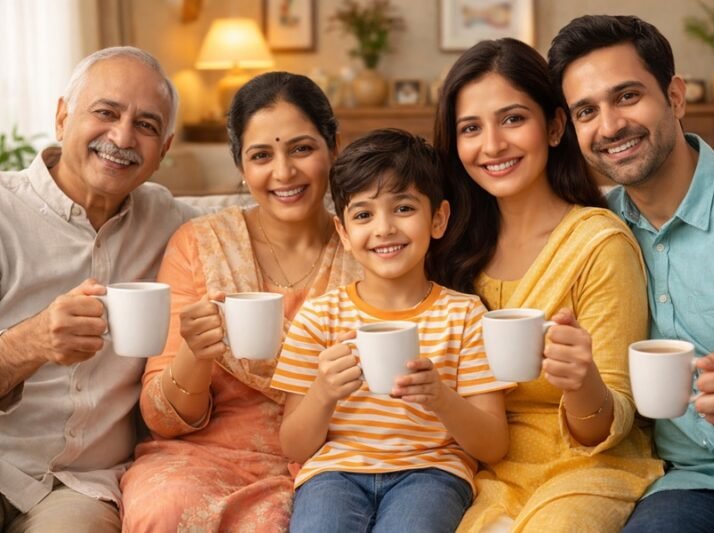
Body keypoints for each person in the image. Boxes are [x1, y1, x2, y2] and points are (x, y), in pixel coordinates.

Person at [549, 14, 714, 533]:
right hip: (692, 482)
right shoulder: (596, 232)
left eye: (627, 96)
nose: (611, 125)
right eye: (586, 111)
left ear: (676, 97)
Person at [429, 38, 664, 532]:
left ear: (554, 126)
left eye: (513, 119)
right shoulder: (449, 248)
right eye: (471, 128)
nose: (492, 145)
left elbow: (611, 426)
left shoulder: (598, 243)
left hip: (589, 471)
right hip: (484, 473)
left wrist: (581, 384)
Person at [119, 72, 361, 532]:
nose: (284, 172)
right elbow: (162, 419)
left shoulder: (367, 247)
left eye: (302, 148)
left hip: (333, 460)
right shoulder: (201, 245)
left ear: (333, 146)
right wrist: (196, 352)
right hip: (202, 457)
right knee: (165, 509)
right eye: (261, 155)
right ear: (241, 165)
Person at [271, 128, 514, 532]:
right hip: (334, 473)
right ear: (344, 233)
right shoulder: (318, 319)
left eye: (403, 208)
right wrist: (324, 392)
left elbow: (494, 445)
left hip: (432, 472)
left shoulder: (465, 316)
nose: (383, 228)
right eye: (364, 214)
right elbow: (294, 447)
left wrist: (440, 398)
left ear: (438, 219)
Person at [0, 47, 197, 532]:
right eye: (106, 112)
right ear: (63, 116)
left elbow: (266, 231)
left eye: (146, 125)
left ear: (164, 150)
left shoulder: (174, 225)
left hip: (83, 486)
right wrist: (32, 341)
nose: (122, 137)